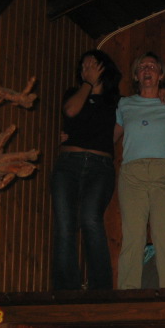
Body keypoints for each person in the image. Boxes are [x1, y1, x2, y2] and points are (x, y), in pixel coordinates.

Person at [51, 50, 121, 290]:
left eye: (91, 65)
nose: (86, 69)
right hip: (67, 164)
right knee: (64, 225)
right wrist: (88, 84)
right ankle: (66, 290)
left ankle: (100, 289)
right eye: (83, 66)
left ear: (103, 68)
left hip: (99, 167)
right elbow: (70, 111)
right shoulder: (74, 93)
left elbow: (121, 130)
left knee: (91, 219)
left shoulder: (116, 101)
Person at [115, 52, 165, 289]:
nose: (147, 70)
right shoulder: (125, 104)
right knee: (133, 235)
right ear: (136, 75)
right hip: (132, 173)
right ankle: (127, 294)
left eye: (152, 67)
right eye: (142, 67)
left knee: (163, 234)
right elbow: (109, 136)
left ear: (160, 75)